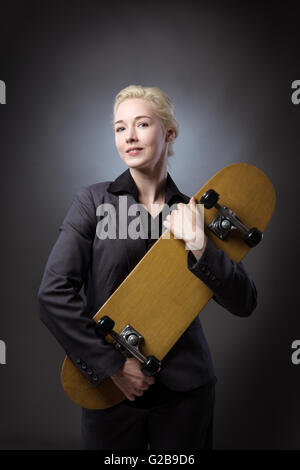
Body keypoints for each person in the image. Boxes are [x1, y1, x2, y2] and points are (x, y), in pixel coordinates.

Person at [37, 84, 257, 450]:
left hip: (186, 393)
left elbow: (244, 301)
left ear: (168, 133)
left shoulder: (195, 211)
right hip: (111, 392)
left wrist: (200, 243)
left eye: (142, 124)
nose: (130, 136)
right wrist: (113, 368)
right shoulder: (92, 201)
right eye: (120, 128)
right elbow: (52, 294)